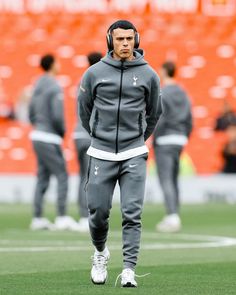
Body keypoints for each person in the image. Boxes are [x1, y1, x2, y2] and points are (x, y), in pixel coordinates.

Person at [78, 20, 162, 287]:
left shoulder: (149, 74)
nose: (125, 44)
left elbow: (154, 113)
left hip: (134, 152)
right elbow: (84, 110)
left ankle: (128, 269)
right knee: (98, 212)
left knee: (132, 212)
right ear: (109, 41)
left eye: (129, 39)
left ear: (135, 40)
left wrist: (138, 138)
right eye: (119, 39)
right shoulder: (93, 73)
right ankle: (100, 252)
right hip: (100, 152)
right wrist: (98, 134)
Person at [29, 54, 79, 231]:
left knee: (42, 177)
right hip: (49, 136)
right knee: (62, 175)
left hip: (37, 135)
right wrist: (62, 132)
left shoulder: (36, 85)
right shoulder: (54, 85)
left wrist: (37, 125)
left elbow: (30, 111)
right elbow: (58, 115)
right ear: (52, 65)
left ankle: (37, 217)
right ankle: (62, 216)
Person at [153, 61, 192, 233]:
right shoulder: (183, 93)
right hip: (179, 138)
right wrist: (185, 135)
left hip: (165, 139)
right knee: (174, 179)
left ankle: (172, 216)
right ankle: (174, 213)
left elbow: (160, 117)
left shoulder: (163, 92)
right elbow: (190, 118)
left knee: (166, 179)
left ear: (163, 71)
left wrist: (154, 137)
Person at [73, 52, 103, 232]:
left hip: (78, 135)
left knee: (83, 176)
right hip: (90, 136)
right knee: (91, 178)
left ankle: (84, 215)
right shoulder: (99, 80)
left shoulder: (83, 80)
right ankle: (87, 216)